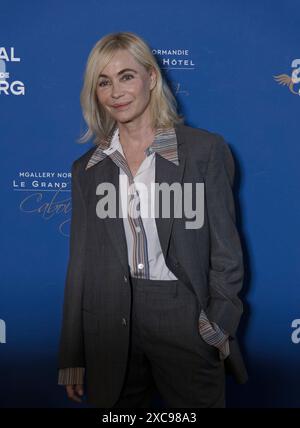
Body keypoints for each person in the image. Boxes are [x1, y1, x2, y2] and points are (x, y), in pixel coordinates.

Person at [57, 31, 248, 408]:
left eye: (127, 76)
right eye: (104, 82)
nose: (116, 92)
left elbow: (227, 254)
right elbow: (80, 266)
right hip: (109, 323)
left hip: (183, 316)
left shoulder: (203, 152)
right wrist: (72, 357)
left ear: (152, 78)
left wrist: (216, 327)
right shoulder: (87, 170)